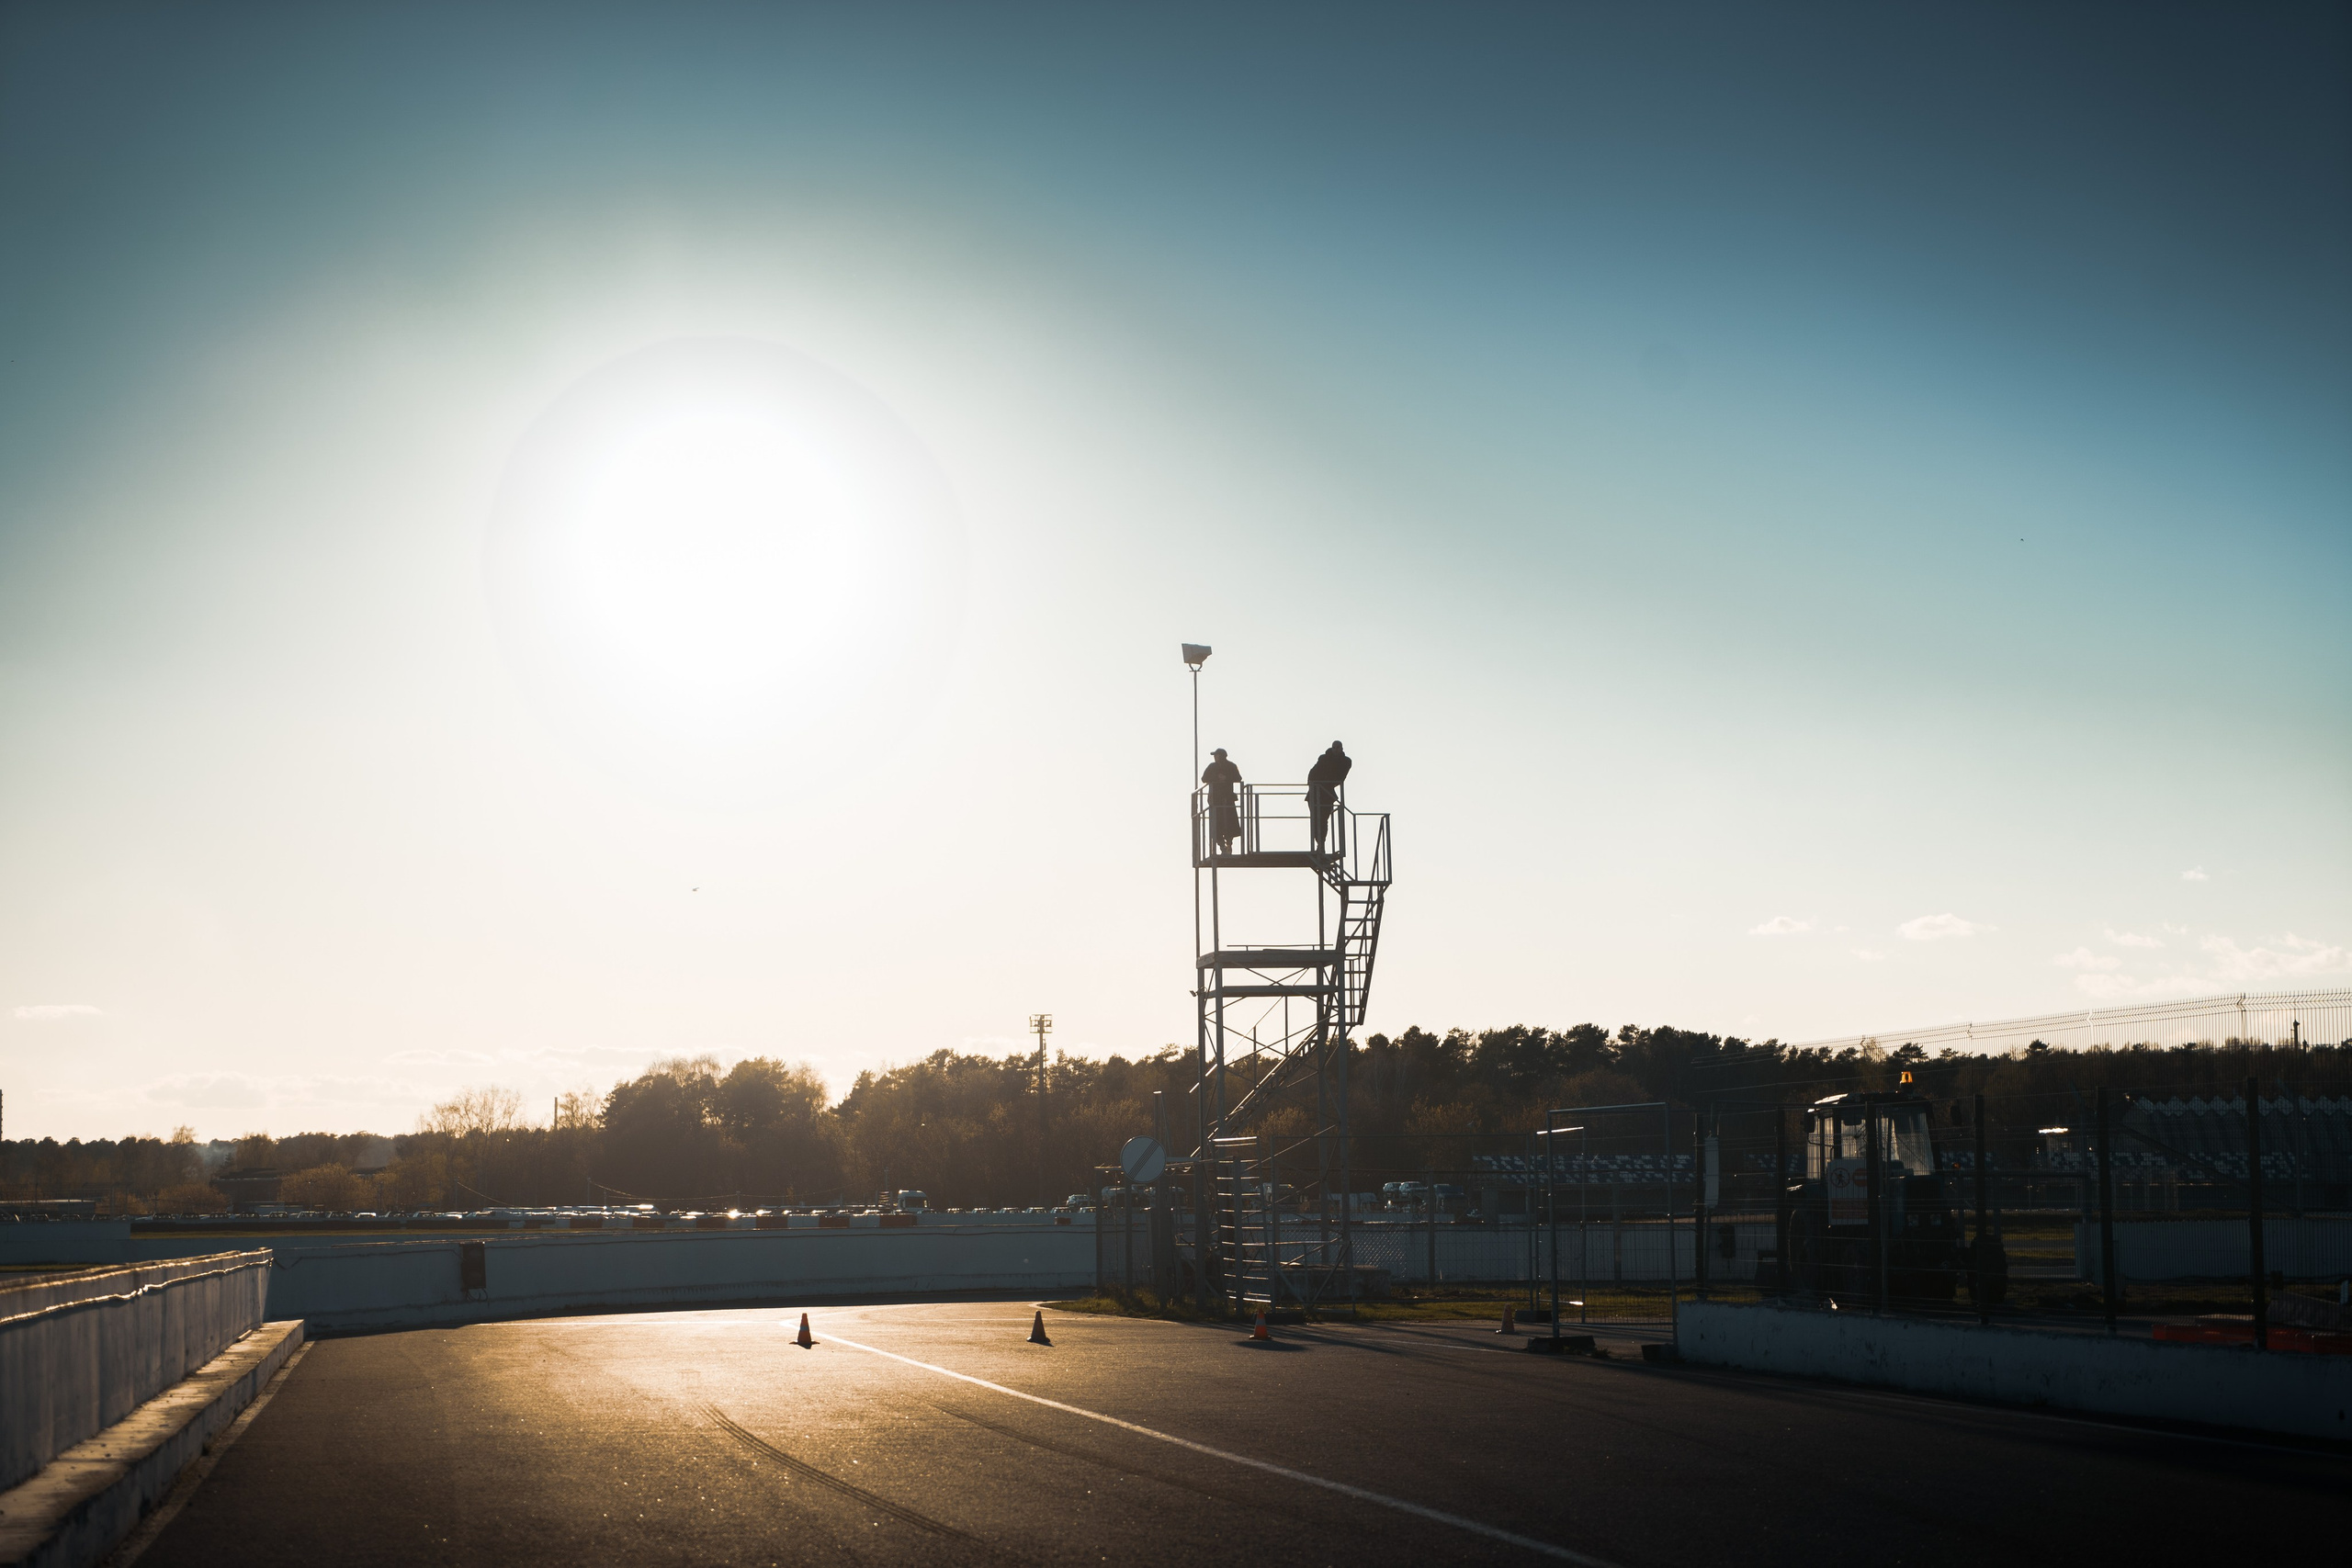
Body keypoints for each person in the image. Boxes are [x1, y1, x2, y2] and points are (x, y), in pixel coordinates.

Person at [1306, 740, 1351, 851]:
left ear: (1341, 748)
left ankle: (1321, 845)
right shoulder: (1323, 758)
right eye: (1334, 747)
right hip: (1315, 792)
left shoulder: (1346, 761)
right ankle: (1319, 845)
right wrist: (1312, 784)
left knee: (1323, 819)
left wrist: (1325, 782)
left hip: (1327, 794)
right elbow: (1313, 772)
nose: (1335, 749)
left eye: (1338, 747)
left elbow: (1340, 778)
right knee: (1315, 819)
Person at [1201, 749, 1243, 856]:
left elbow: (1238, 778)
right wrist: (1216, 778)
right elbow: (1204, 778)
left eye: (1216, 755)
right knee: (1217, 825)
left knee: (1230, 824)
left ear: (1221, 756)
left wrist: (1226, 778)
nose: (1215, 757)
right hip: (1215, 800)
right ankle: (1222, 846)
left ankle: (1229, 845)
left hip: (1228, 799)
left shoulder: (1231, 766)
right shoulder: (1212, 767)